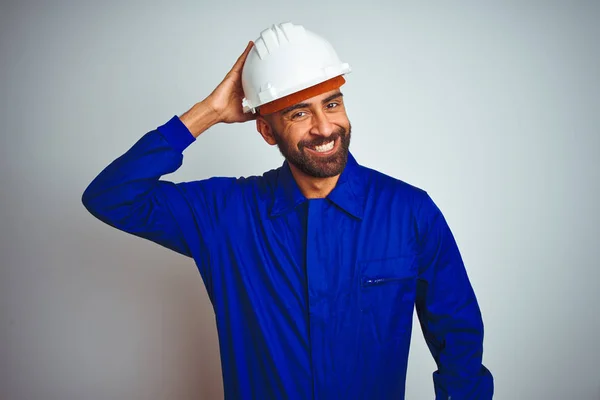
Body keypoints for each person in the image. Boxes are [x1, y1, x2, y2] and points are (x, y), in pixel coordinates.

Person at [82, 22, 493, 400]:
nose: (324, 127)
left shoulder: (409, 213)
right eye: (299, 113)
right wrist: (207, 113)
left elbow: (457, 340)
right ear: (265, 130)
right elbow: (111, 196)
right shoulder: (225, 215)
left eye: (332, 104)